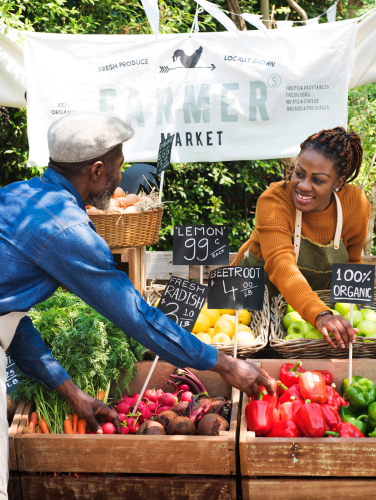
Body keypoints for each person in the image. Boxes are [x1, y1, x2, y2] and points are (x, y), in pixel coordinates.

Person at [0, 111, 272, 499]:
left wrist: (74, 395)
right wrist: (225, 364)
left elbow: (10, 321)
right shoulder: (70, 230)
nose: (121, 174)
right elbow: (136, 316)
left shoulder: (14, 196)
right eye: (118, 165)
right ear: (96, 170)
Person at [233, 127, 370, 350]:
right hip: (247, 309)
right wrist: (320, 314)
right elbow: (280, 263)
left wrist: (360, 317)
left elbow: (352, 264)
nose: (304, 186)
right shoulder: (275, 200)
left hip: (301, 317)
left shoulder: (355, 204)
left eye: (318, 180)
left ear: (338, 182)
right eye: (299, 173)